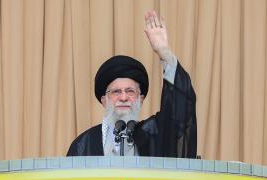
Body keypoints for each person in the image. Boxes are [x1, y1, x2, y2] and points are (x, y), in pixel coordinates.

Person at [67, 11, 196, 158]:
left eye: (130, 91)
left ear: (140, 99)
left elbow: (180, 111)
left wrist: (165, 53)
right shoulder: (83, 144)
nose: (123, 97)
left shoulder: (154, 135)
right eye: (116, 92)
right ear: (104, 100)